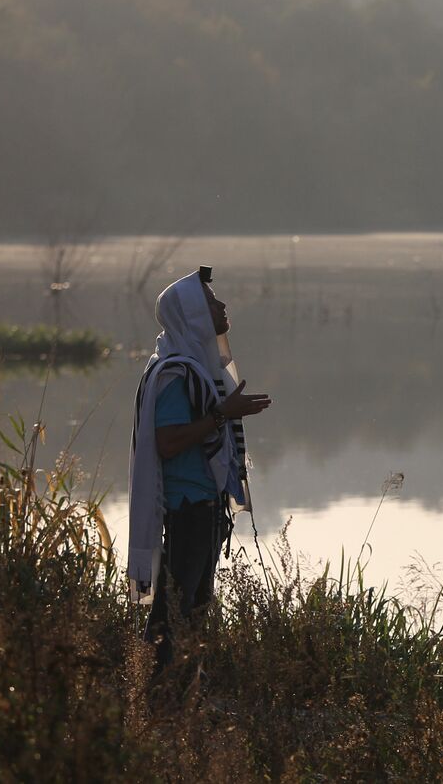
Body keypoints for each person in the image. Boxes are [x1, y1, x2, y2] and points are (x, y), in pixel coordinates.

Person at [127, 267, 271, 673]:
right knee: (175, 608)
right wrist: (223, 414)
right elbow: (168, 442)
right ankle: (158, 692)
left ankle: (177, 693)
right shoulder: (176, 374)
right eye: (211, 303)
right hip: (186, 504)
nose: (222, 307)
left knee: (193, 607)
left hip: (203, 503)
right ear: (192, 316)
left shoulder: (195, 368)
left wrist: (223, 414)